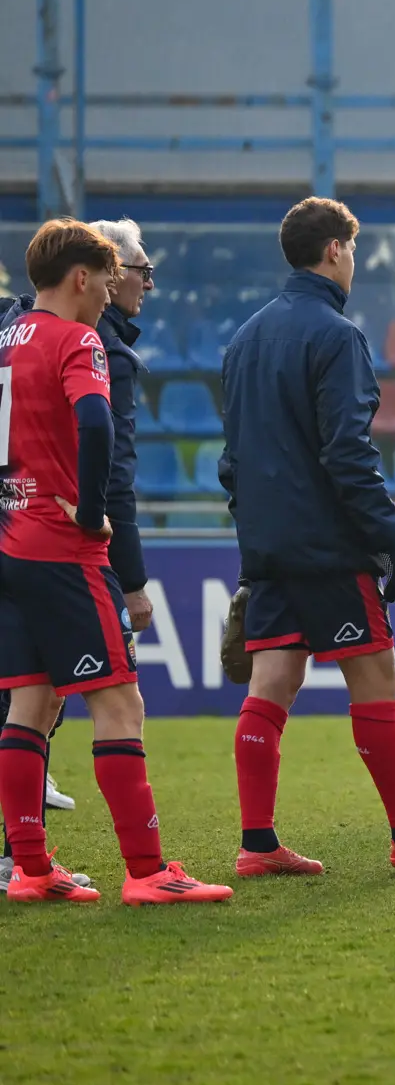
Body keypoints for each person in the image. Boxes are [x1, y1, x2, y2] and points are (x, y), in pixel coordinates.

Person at [222, 196, 395, 878]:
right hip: (329, 546)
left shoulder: (245, 337)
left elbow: (233, 458)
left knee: (273, 681)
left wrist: (257, 527)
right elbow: (348, 450)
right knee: (375, 676)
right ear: (336, 250)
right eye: (353, 249)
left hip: (270, 546)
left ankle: (257, 845)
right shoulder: (336, 336)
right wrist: (382, 536)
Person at [0, 219, 230, 904]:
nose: (111, 291)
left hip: (10, 541)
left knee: (29, 705)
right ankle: (148, 871)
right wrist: (92, 508)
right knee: (121, 703)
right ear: (79, 277)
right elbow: (96, 424)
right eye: (106, 277)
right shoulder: (80, 341)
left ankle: (31, 870)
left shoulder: (5, 341)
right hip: (64, 550)